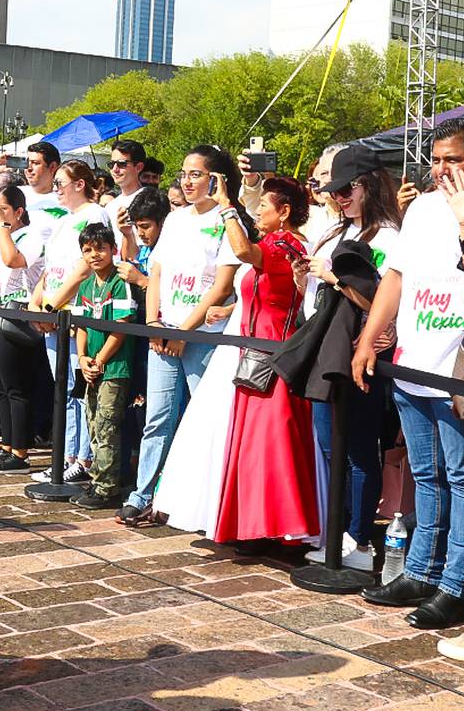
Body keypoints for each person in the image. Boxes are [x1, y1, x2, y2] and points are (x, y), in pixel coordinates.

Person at [353, 120, 464, 629]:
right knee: (426, 473)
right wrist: (371, 337)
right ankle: (420, 570)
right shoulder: (421, 209)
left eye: (453, 160)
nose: (440, 170)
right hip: (414, 361)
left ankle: (457, 584)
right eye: (435, 159)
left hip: (461, 364)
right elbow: (396, 275)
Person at [117, 146, 243, 526]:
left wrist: (185, 330)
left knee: (202, 423)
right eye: (184, 174)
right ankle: (145, 495)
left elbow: (222, 287)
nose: (188, 182)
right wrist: (154, 324)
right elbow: (156, 273)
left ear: (217, 179)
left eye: (197, 174)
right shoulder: (175, 220)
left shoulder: (228, 220)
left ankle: (201, 503)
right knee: (157, 418)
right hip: (163, 334)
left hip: (205, 336)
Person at [304, 144, 402, 566]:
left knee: (360, 450)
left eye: (347, 189)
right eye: (334, 191)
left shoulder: (391, 237)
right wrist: (305, 279)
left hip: (364, 354)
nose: (338, 197)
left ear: (370, 185)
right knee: (330, 447)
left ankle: (359, 539)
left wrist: (334, 278)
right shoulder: (333, 231)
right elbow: (316, 300)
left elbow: (384, 303)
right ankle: (338, 532)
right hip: (326, 348)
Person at [211, 175, 317, 552]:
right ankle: (256, 525)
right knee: (255, 446)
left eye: (263, 208)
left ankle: (279, 527)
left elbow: (243, 253)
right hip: (256, 352)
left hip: (275, 355)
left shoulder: (286, 245)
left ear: (284, 212)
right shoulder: (275, 242)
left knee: (273, 446)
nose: (256, 214)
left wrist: (227, 208)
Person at [36, 159, 112, 483]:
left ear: (79, 184)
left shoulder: (94, 214)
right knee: (62, 390)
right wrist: (37, 301)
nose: (56, 190)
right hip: (54, 312)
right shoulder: (65, 220)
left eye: (60, 184)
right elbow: (50, 267)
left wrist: (52, 305)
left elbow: (84, 268)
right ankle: (65, 455)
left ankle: (83, 456)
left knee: (78, 390)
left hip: (74, 314)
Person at [0, 184, 48, 474]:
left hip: (16, 312)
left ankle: (20, 451)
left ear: (18, 211)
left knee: (16, 386)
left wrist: (2, 227)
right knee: (0, 385)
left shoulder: (30, 234)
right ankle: (7, 444)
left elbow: (14, 260)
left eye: (3, 209)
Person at [72, 221, 138, 508]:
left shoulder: (119, 283)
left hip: (114, 368)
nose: (94, 255)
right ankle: (97, 479)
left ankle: (108, 487)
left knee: (107, 425)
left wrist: (99, 360)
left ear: (113, 249)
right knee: (93, 424)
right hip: (92, 369)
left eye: (100, 248)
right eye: (88, 250)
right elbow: (81, 326)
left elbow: (121, 326)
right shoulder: (86, 285)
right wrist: (83, 358)